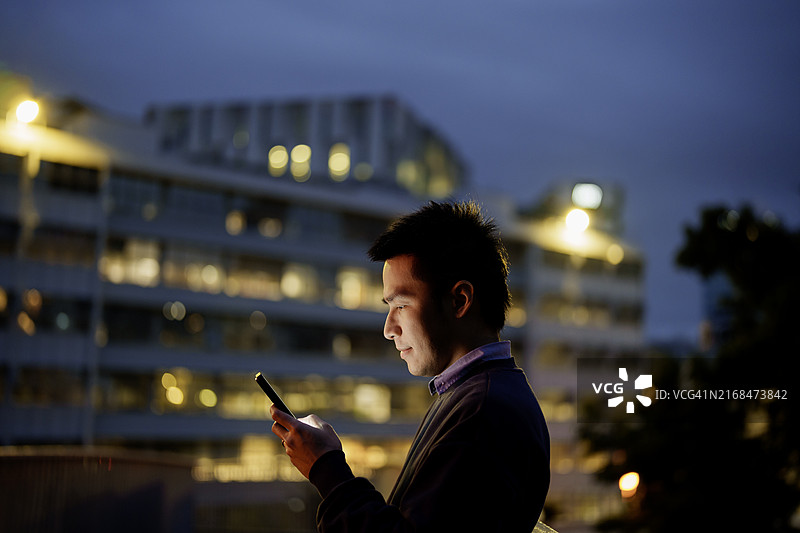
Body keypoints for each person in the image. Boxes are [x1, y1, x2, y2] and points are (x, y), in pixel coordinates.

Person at [270, 200, 550, 532]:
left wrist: (326, 467)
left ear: (459, 300)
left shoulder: (482, 412)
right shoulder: (482, 393)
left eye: (401, 305)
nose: (389, 329)